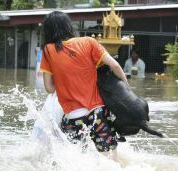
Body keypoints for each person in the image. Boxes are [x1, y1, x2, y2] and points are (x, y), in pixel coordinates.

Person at [40, 11, 128, 153]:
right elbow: (115, 66)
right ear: (68, 26)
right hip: (98, 113)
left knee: (76, 159)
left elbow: (49, 88)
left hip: (74, 117)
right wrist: (127, 90)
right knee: (111, 157)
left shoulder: (48, 51)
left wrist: (63, 75)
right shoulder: (89, 42)